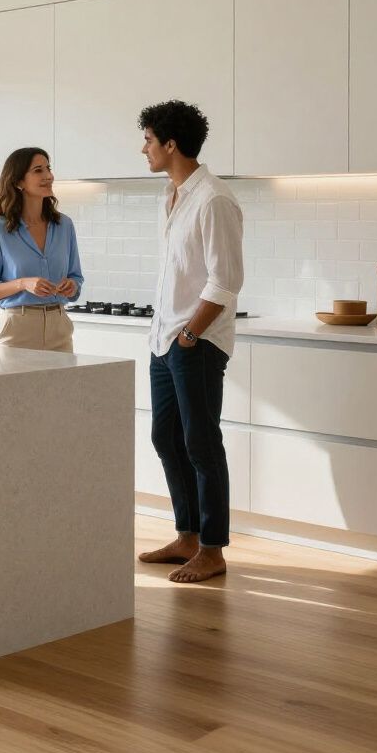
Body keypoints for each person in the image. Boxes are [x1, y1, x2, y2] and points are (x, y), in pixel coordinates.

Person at [137, 100, 244, 584]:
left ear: (170, 144)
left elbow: (224, 283)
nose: (144, 149)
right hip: (167, 341)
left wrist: (188, 334)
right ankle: (187, 537)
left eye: (148, 140)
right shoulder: (174, 194)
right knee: (166, 437)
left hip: (194, 342)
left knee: (202, 443)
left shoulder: (214, 199)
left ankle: (213, 548)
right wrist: (168, 335)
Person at [0, 147, 83, 351]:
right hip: (17, 329)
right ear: (18, 181)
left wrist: (72, 286)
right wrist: (23, 283)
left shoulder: (64, 226)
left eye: (48, 168)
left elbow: (76, 277)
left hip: (59, 328)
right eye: (38, 170)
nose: (48, 176)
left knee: (62, 384)